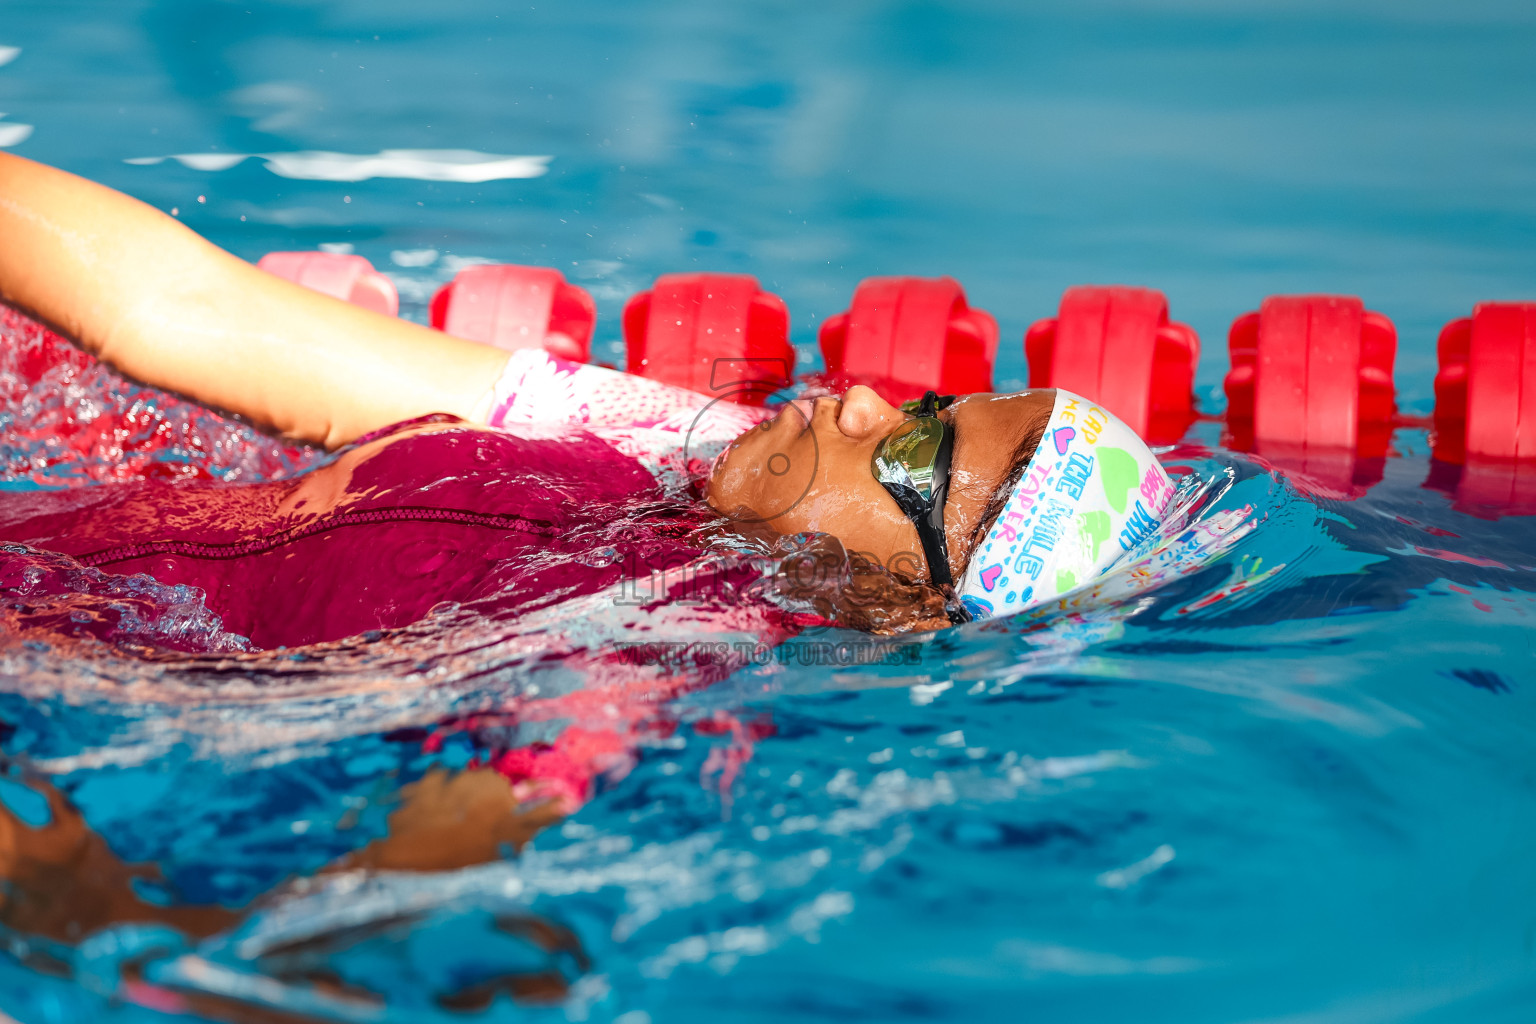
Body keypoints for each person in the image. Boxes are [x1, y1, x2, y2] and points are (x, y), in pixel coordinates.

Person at [0, 150, 1173, 639]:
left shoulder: (673, 650)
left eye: (919, 461)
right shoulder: (684, 443)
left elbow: (477, 830)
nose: (864, 400)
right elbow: (192, 318)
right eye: (928, 405)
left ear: (915, 607)